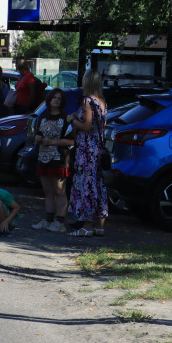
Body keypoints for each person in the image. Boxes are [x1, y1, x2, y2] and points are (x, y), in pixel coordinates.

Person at [67, 69, 109, 237]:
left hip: (87, 149)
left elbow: (87, 126)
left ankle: (87, 225)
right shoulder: (102, 101)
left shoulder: (87, 101)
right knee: (98, 185)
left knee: (86, 185)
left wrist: (73, 120)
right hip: (98, 147)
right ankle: (100, 226)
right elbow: (102, 125)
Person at [32, 88, 74, 233]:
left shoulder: (65, 118)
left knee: (59, 190)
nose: (56, 100)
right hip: (43, 157)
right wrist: (38, 138)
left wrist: (52, 142)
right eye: (54, 97)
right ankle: (48, 219)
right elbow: (38, 134)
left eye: (59, 98)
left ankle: (60, 221)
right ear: (49, 99)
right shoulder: (42, 116)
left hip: (59, 157)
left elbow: (71, 141)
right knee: (48, 190)